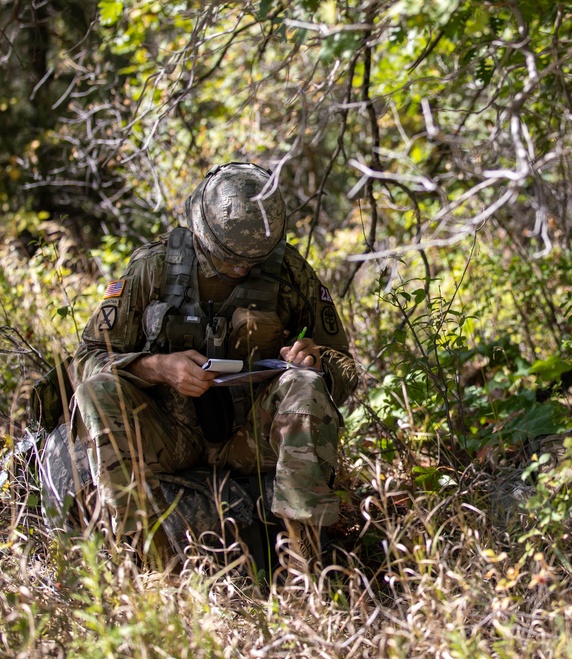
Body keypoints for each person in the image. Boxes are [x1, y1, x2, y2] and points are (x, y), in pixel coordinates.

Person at [65, 162, 358, 566]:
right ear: (201, 233)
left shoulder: (289, 272)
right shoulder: (153, 268)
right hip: (171, 432)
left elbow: (345, 369)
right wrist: (156, 367)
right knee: (97, 392)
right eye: (229, 259)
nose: (240, 270)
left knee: (306, 386)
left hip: (251, 436)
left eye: (250, 262)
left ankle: (305, 571)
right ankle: (146, 562)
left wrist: (315, 360)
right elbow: (86, 359)